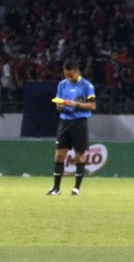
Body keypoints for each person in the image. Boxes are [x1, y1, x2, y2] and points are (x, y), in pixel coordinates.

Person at [47, 59, 96, 196]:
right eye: (65, 75)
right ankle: (56, 188)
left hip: (79, 122)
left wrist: (75, 105)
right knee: (59, 155)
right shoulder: (62, 85)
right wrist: (60, 106)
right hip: (64, 122)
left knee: (79, 157)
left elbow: (92, 106)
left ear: (76, 71)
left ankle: (76, 188)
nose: (68, 77)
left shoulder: (86, 85)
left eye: (70, 75)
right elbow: (58, 104)